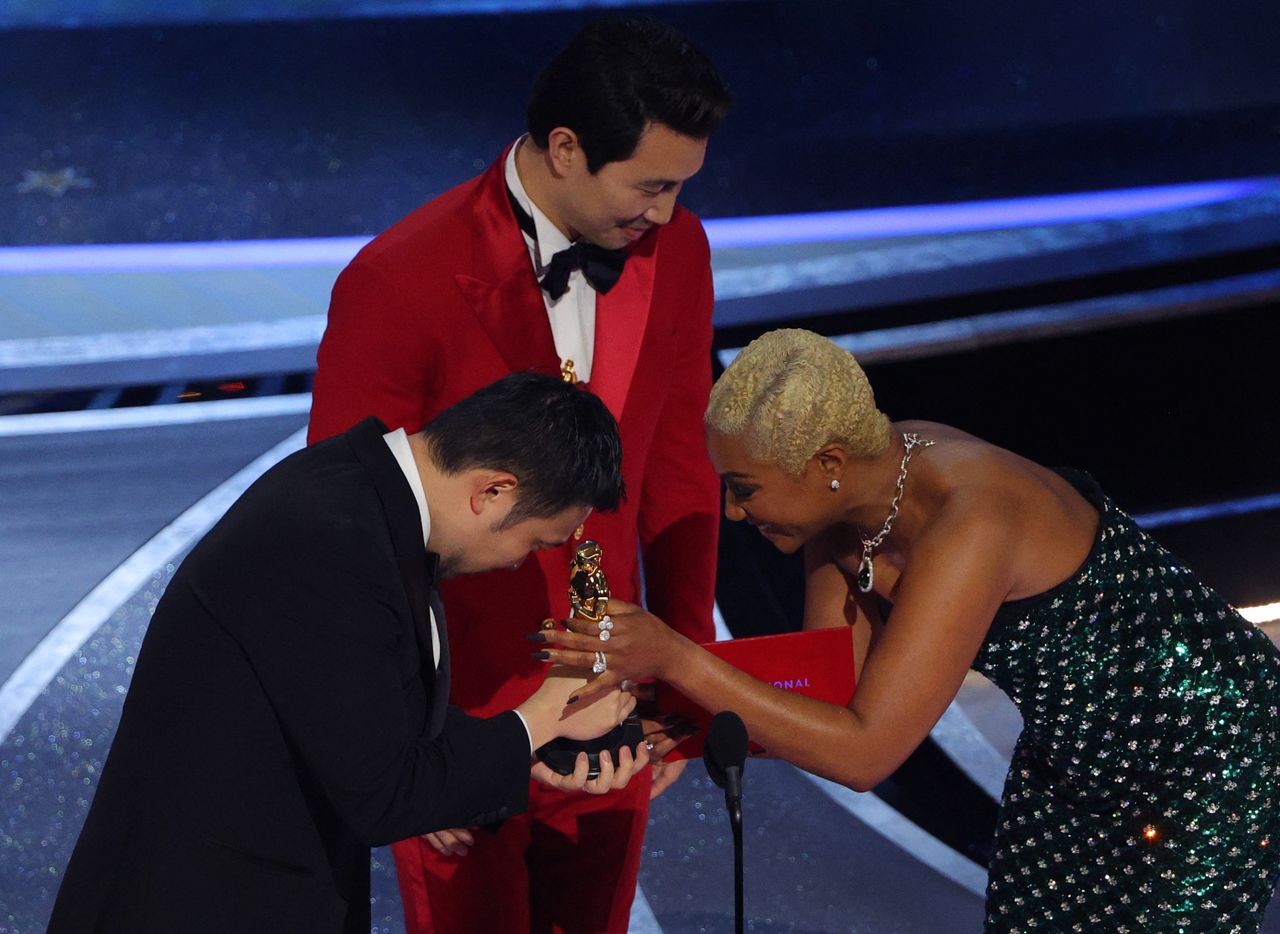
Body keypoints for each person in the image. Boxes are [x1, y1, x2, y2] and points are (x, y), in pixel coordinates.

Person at [542, 329, 1280, 932]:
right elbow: (825, 691)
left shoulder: (973, 520)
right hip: (1072, 760)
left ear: (827, 463)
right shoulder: (848, 512)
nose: (734, 513)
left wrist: (678, 656)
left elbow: (867, 751)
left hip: (1204, 758)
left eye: (744, 488)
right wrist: (687, 718)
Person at [307, 14, 731, 933]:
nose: (665, 212)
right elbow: (343, 531)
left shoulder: (680, 250)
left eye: (681, 187)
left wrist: (684, 673)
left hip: (614, 696)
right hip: (460, 720)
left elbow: (681, 473)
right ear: (567, 148)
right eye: (651, 185)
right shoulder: (401, 277)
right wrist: (405, 750)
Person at [46, 372, 647, 934]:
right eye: (534, 541)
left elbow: (359, 718)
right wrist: (544, 712)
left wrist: (524, 749)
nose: (520, 562)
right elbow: (381, 790)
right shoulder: (331, 535)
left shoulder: (356, 499)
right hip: (198, 906)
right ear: (492, 490)